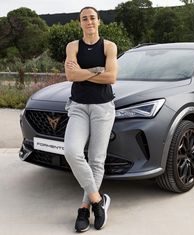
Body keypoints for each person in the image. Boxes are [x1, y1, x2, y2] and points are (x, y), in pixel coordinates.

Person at [64, 6, 117, 233]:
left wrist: (84, 72)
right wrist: (97, 70)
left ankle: (84, 207)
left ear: (99, 21)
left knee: (96, 160)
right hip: (78, 106)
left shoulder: (109, 46)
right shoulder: (72, 46)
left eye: (92, 18)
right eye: (84, 18)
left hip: (103, 108)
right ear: (80, 23)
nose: (89, 22)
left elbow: (111, 77)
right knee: (72, 151)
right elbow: (70, 76)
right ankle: (98, 201)